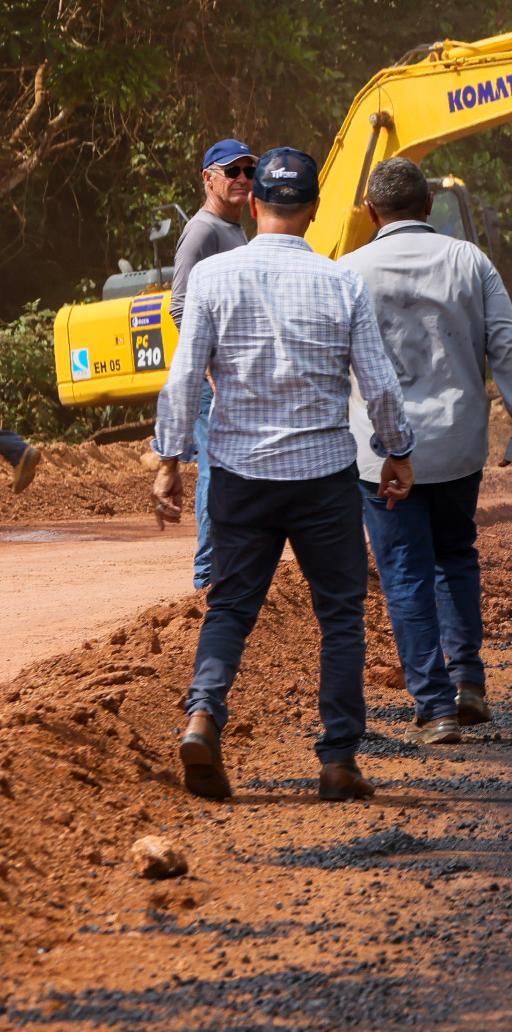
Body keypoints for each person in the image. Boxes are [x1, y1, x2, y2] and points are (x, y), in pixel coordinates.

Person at [155, 146, 414, 802]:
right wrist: (397, 449)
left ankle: (202, 717)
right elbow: (377, 383)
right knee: (341, 615)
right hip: (323, 478)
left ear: (255, 201)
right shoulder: (339, 281)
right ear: (317, 209)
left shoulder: (213, 279)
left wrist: (169, 460)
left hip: (240, 473)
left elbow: (185, 378)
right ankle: (337, 762)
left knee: (231, 606)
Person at [344, 158, 512, 741]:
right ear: (429, 205)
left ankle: (434, 708)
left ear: (369, 212)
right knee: (454, 555)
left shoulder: (348, 270)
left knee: (404, 572)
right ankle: (469, 684)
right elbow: (509, 347)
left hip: (380, 453)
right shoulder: (469, 261)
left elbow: (333, 365)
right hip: (457, 444)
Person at [146, 138, 256, 583]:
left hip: (232, 376)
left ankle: (227, 569)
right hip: (215, 381)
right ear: (208, 178)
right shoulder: (204, 229)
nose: (244, 179)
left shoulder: (234, 227)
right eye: (233, 172)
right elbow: (179, 305)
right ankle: (207, 577)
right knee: (215, 474)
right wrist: (209, 364)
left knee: (233, 473)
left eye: (249, 171)